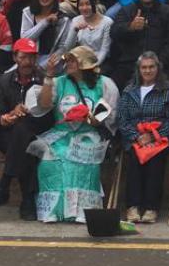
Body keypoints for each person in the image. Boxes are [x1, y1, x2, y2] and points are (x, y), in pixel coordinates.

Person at [30, 46, 120, 223]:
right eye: (68, 60)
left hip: (89, 133)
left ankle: (83, 210)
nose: (68, 64)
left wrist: (90, 118)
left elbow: (108, 115)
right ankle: (53, 210)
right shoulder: (60, 82)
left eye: (72, 60)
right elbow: (44, 105)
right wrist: (49, 76)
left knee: (80, 160)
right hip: (61, 133)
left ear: (84, 64)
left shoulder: (104, 84)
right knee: (49, 159)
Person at [0, 39, 48, 219]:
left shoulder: (43, 79)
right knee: (22, 140)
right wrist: (9, 116)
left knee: (24, 133)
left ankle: (4, 185)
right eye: (24, 56)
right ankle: (27, 201)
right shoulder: (4, 81)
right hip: (9, 133)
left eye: (32, 57)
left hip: (38, 130)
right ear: (15, 57)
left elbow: (48, 114)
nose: (28, 62)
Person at [115, 52, 169, 224]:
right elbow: (122, 119)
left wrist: (152, 136)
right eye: (144, 67)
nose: (148, 70)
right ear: (138, 69)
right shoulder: (129, 91)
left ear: (158, 68)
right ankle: (133, 206)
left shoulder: (168, 90)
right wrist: (137, 137)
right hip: (135, 137)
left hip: (159, 138)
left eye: (151, 66)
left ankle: (152, 208)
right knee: (135, 161)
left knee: (155, 161)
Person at [109, 0, 169, 87]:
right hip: (130, 66)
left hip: (160, 66)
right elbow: (113, 32)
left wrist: (155, 64)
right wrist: (130, 27)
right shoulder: (126, 11)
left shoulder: (168, 12)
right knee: (111, 85)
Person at [20, 0, 69, 67]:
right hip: (29, 57)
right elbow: (25, 39)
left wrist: (51, 61)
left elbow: (63, 47)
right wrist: (45, 22)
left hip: (52, 60)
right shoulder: (28, 12)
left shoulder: (63, 18)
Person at [63, 0, 114, 67]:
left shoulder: (107, 22)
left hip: (100, 63)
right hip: (79, 61)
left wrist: (92, 66)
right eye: (81, 5)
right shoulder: (76, 20)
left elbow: (104, 50)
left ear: (96, 4)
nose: (84, 8)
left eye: (88, 4)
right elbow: (67, 48)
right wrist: (75, 30)